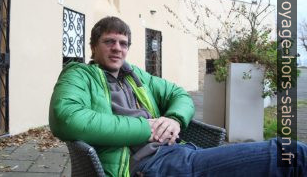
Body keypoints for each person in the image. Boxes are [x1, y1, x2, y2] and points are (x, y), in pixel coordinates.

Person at [49, 16, 307, 176]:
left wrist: (174, 119)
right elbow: (67, 118)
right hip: (151, 166)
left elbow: (178, 94)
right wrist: (146, 129)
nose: (118, 48)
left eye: (123, 43)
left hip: (179, 152)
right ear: (93, 46)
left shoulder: (134, 75)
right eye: (109, 41)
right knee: (290, 154)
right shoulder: (79, 75)